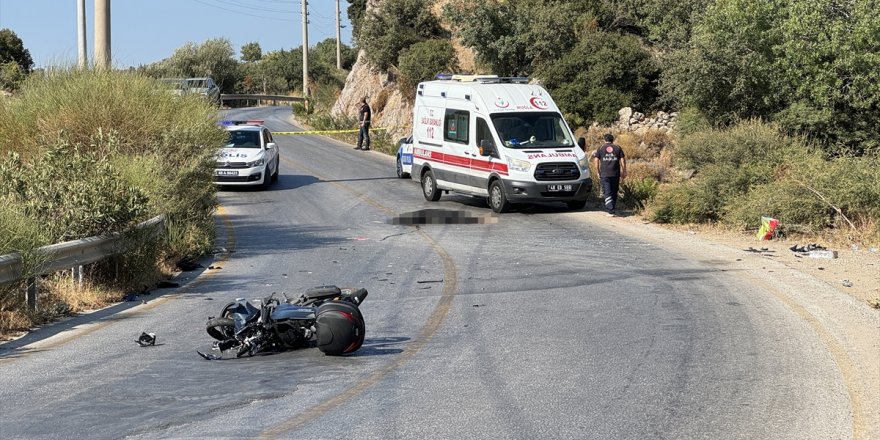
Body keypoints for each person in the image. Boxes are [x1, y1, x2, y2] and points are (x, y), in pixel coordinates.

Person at [590, 133, 627, 216]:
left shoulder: (601, 148)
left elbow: (596, 160)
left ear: (604, 140)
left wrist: (598, 171)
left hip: (604, 174)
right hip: (615, 173)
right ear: (612, 140)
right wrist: (624, 171)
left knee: (607, 191)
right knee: (614, 191)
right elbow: (622, 160)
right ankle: (612, 207)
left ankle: (611, 210)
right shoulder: (618, 147)